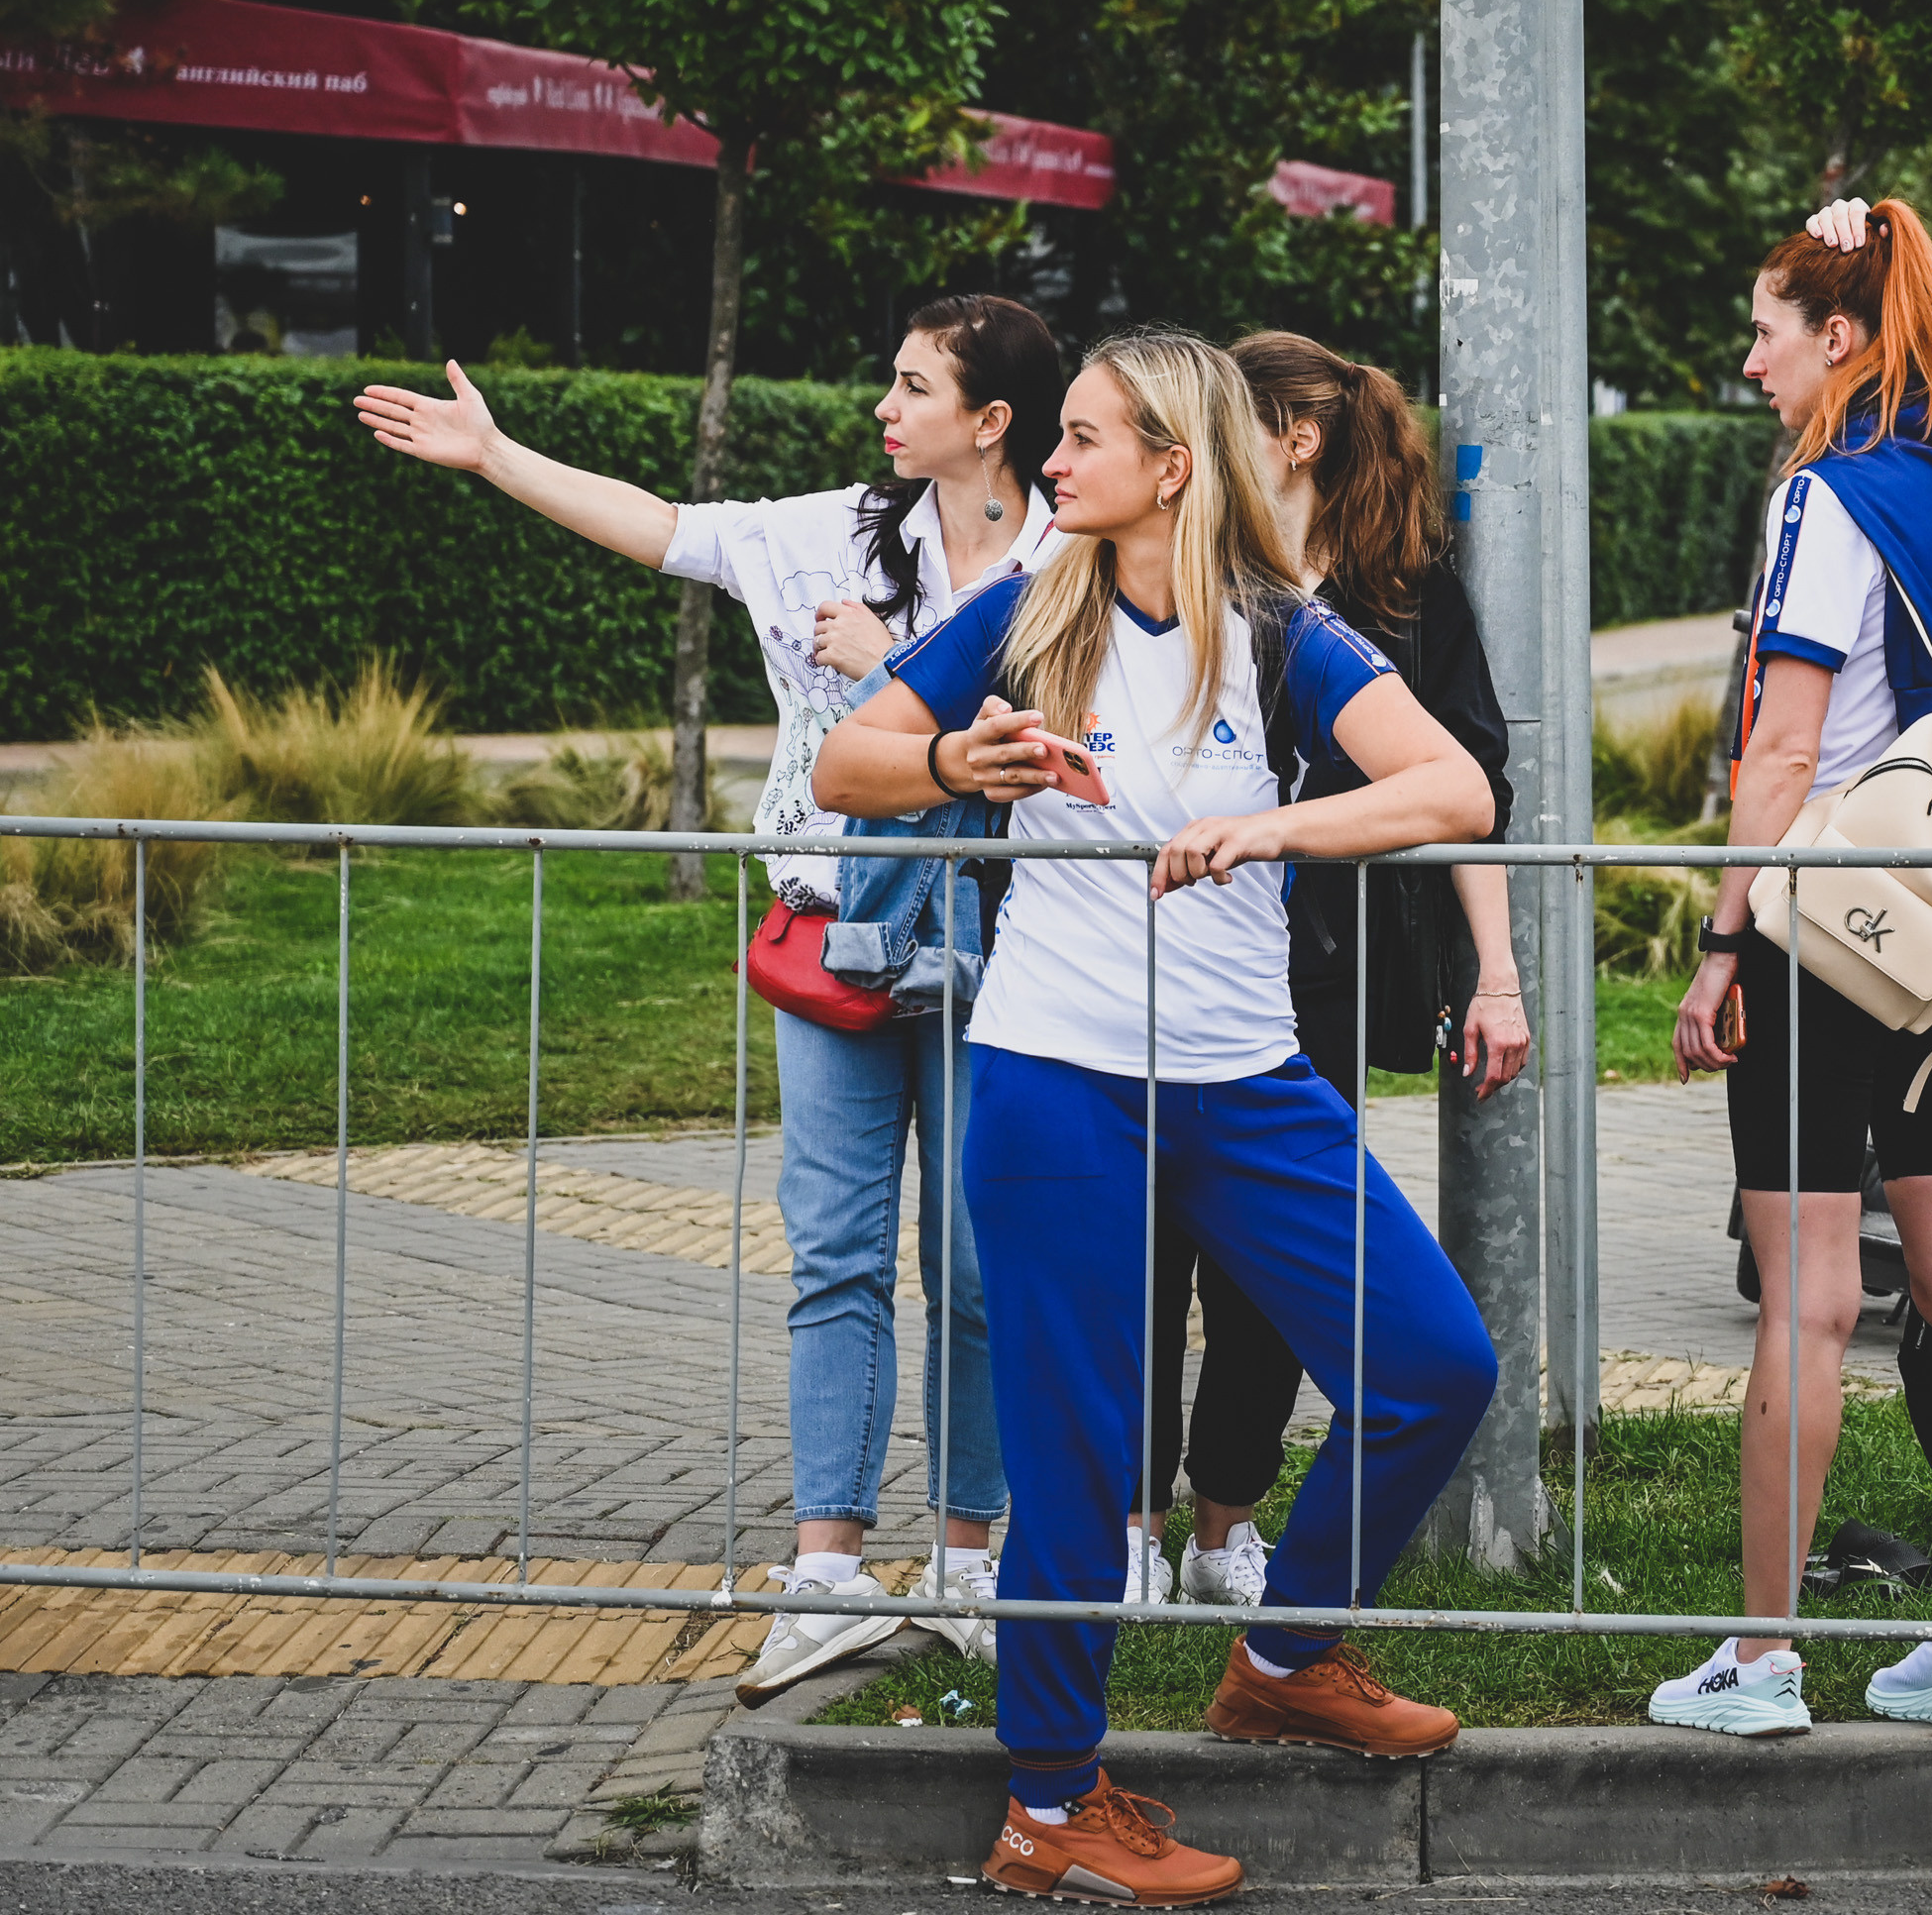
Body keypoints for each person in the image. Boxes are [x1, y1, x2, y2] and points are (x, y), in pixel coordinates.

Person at [813, 327, 1500, 1905]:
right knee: (1075, 1458)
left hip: (1248, 1083)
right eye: (1055, 436)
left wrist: (1279, 829)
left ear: (1172, 467)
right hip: (1054, 1081)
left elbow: (1456, 789)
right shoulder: (1028, 611)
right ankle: (1051, 1804)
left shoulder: (1283, 632)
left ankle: (1286, 1659)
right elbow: (850, 764)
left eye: (1084, 437)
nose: (1052, 462)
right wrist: (955, 758)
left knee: (1431, 1367)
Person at [353, 295, 1068, 1698]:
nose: (884, 407)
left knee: (980, 1266)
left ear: (991, 421)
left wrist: (890, 670)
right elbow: (667, 527)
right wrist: (496, 455)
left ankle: (970, 1566)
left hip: (1009, 944)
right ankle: (827, 1573)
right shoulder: (836, 532)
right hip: (833, 936)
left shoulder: (1071, 559)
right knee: (835, 1254)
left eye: (913, 387)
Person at [1658, 197, 1932, 1737]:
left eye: (1769, 333)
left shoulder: (1825, 500)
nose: (1753, 363)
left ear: (1842, 336)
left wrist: (1720, 940)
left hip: (1821, 931)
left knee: (1809, 1296)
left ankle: (1761, 1659)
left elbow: (1785, 748)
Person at [1123, 330, 1529, 1611]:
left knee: (1270, 1272)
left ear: (1296, 438)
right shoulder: (1188, 573)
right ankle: (1130, 1525)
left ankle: (1224, 1529)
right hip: (1173, 960)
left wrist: (1498, 975)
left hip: (1324, 975)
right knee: (1143, 1256)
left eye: (1226, 423)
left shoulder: (1401, 595)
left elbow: (1474, 791)